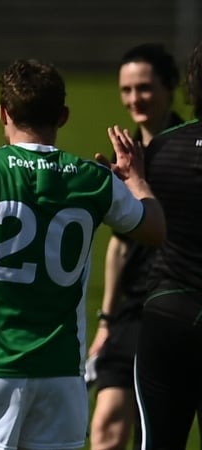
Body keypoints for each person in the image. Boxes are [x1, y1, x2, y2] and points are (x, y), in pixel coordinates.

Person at [0, 59, 166, 450]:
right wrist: (137, 180)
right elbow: (155, 228)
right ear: (63, 116)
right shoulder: (94, 179)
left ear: (3, 113)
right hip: (60, 377)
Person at [87, 42, 184, 450]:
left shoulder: (187, 150)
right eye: (126, 90)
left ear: (170, 88)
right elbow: (119, 246)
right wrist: (106, 321)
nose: (134, 99)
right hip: (130, 312)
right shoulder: (125, 154)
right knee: (106, 424)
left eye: (144, 88)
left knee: (155, 433)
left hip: (174, 304)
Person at [133, 39, 202, 450]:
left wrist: (132, 181)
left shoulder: (162, 147)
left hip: (168, 313)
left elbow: (136, 226)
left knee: (158, 441)